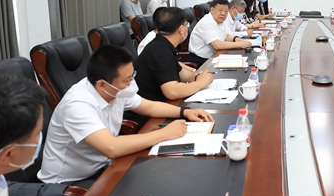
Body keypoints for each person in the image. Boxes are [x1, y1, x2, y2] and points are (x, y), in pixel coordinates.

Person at [38, 45, 212, 186]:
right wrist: (164, 134)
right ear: (102, 84)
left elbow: (149, 107)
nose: (131, 84)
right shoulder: (77, 105)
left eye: (132, 76)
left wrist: (185, 112)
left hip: (105, 165)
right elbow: (111, 147)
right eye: (126, 80)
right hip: (69, 182)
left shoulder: (115, 89)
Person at [137, 7, 214, 102]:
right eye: (187, 24)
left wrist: (196, 76)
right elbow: (172, 92)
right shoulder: (160, 52)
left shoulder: (162, 44)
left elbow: (180, 72)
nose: (187, 27)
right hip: (152, 107)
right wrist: (200, 83)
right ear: (181, 30)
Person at [188, 0, 253, 66]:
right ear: (212, 9)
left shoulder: (220, 20)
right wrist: (240, 44)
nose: (223, 14)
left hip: (214, 56)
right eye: (220, 10)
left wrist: (236, 39)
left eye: (226, 11)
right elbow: (217, 45)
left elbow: (225, 36)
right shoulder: (207, 22)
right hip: (201, 60)